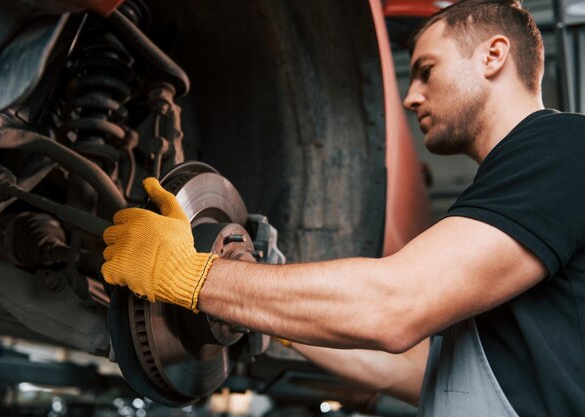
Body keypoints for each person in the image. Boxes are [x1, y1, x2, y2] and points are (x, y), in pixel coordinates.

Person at [101, 0, 585, 415]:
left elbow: (394, 306)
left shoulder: (563, 148)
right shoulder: (517, 188)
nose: (411, 96)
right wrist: (267, 314)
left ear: (494, 55)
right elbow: (414, 370)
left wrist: (190, 276)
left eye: (426, 71)